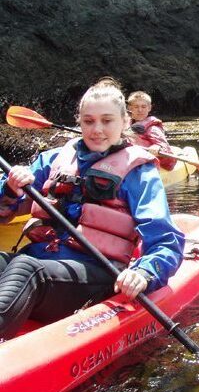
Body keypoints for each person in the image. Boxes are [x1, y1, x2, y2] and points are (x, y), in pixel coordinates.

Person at [0, 80, 185, 339]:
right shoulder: (54, 158)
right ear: (80, 122)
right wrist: (10, 188)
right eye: (89, 121)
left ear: (124, 122)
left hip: (97, 273)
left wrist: (144, 273)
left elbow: (166, 242)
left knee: (26, 268)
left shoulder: (138, 173)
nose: (97, 129)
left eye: (107, 121)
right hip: (44, 260)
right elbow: (5, 211)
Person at [126, 91, 176, 171]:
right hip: (129, 161)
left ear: (149, 108)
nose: (140, 110)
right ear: (129, 108)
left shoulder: (152, 129)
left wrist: (157, 147)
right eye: (136, 107)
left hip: (146, 164)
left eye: (143, 107)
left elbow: (164, 147)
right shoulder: (124, 125)